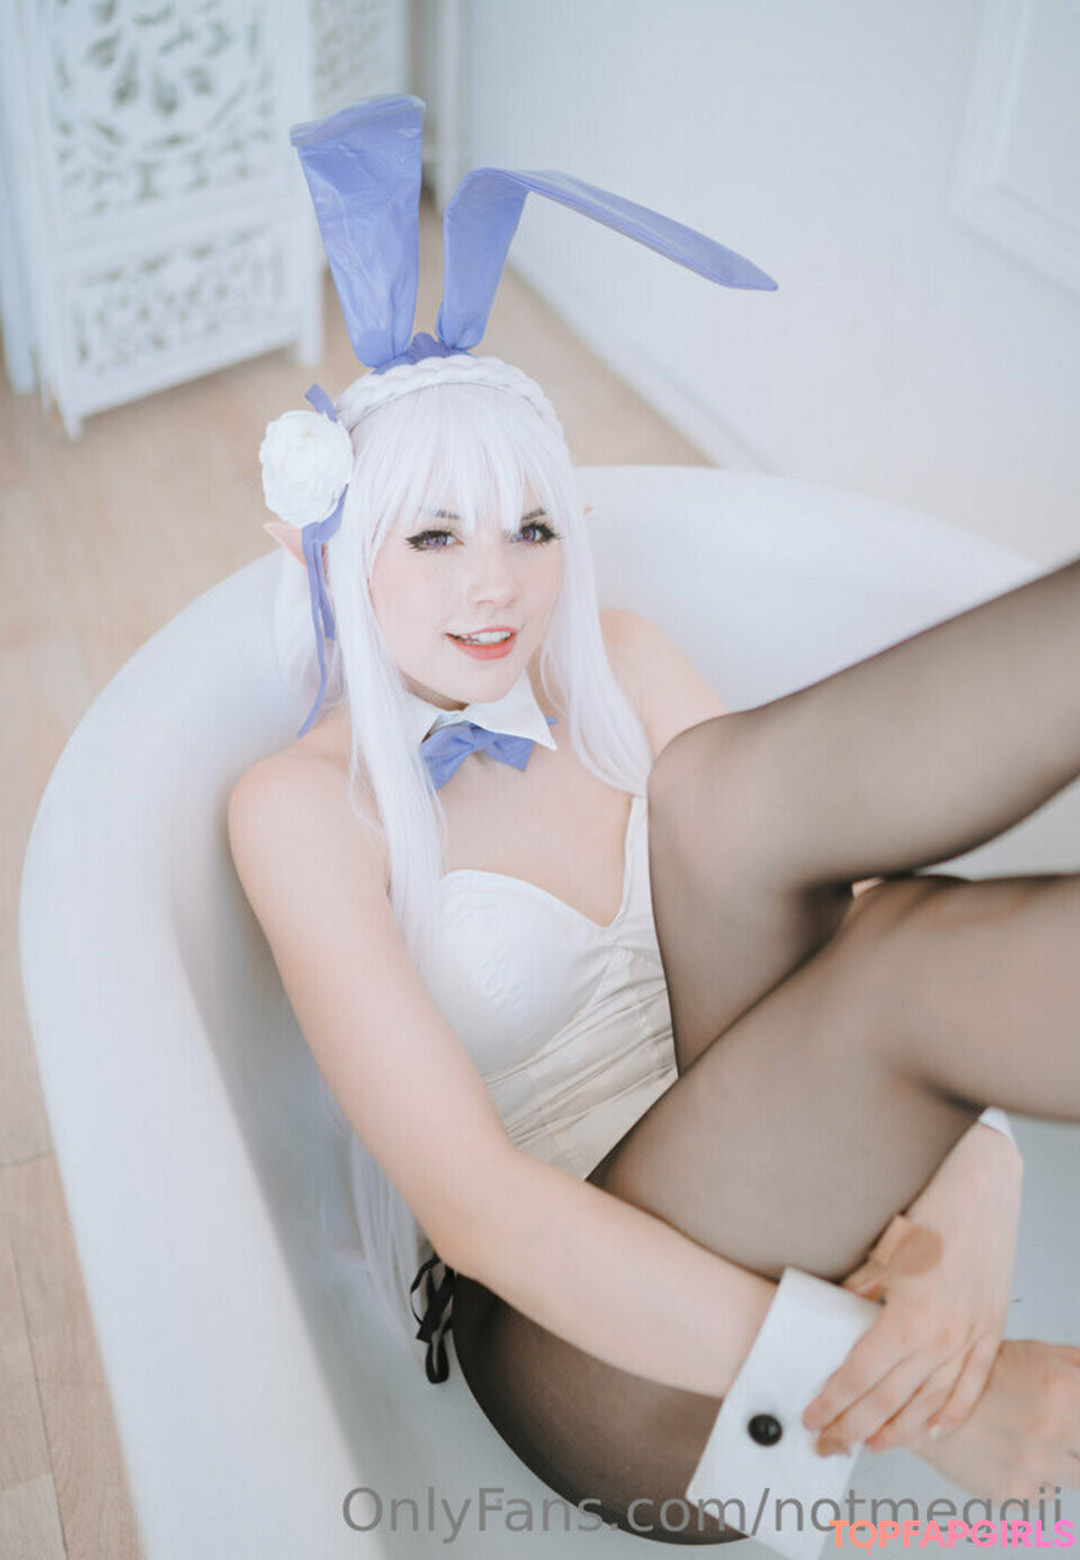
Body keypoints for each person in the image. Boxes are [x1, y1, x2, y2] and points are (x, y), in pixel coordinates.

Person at [226, 97, 1080, 1549]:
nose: (495, 587)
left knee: (731, 811)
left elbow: (854, 925)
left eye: (531, 529)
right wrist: (944, 1399)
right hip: (606, 1373)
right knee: (875, 941)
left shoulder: (614, 661)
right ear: (332, 551)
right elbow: (483, 1214)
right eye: (432, 535)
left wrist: (978, 1183)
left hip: (801, 1183)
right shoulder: (300, 809)